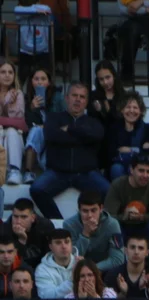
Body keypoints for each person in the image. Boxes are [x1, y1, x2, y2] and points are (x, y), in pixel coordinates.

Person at [29, 83, 111, 223]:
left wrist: (70, 129)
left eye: (82, 97)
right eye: (74, 95)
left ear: (86, 101)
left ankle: (92, 222)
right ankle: (59, 222)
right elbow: (52, 135)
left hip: (86, 173)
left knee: (109, 191)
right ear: (67, 98)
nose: (78, 99)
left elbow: (98, 135)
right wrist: (83, 137)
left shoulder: (93, 121)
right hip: (57, 172)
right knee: (36, 189)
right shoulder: (53, 118)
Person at [105, 152, 149, 253]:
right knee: (113, 227)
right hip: (123, 226)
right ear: (131, 170)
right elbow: (107, 216)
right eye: (141, 170)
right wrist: (125, 216)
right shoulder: (118, 185)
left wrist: (141, 217)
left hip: (143, 226)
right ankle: (119, 258)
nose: (145, 175)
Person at [20, 67, 64, 184]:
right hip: (36, 137)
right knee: (35, 130)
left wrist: (47, 127)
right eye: (36, 79)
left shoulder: (57, 97)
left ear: (48, 82)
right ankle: (28, 172)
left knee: (46, 162)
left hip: (53, 136)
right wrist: (32, 109)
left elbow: (65, 118)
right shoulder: (26, 100)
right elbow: (27, 126)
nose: (39, 82)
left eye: (43, 79)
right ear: (31, 82)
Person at [63, 191, 124, 273]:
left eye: (93, 210)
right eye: (85, 211)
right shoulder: (69, 225)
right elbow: (71, 258)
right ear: (79, 210)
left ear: (101, 208)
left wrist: (92, 269)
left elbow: (118, 259)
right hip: (78, 271)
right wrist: (85, 234)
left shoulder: (112, 224)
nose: (89, 215)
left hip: (105, 270)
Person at [103, 92, 149, 182]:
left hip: (141, 169)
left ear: (140, 111)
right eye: (128, 107)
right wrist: (139, 149)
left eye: (135, 108)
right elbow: (110, 153)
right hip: (119, 169)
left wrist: (129, 150)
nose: (131, 111)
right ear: (122, 110)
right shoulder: (114, 129)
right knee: (116, 168)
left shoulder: (148, 129)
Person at [14, 0, 54, 86]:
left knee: (45, 76)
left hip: (42, 51)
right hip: (25, 51)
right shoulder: (20, 12)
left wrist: (32, 8)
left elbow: (47, 9)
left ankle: (47, 93)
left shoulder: (45, 11)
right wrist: (35, 9)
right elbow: (16, 9)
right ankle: (18, 93)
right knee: (21, 77)